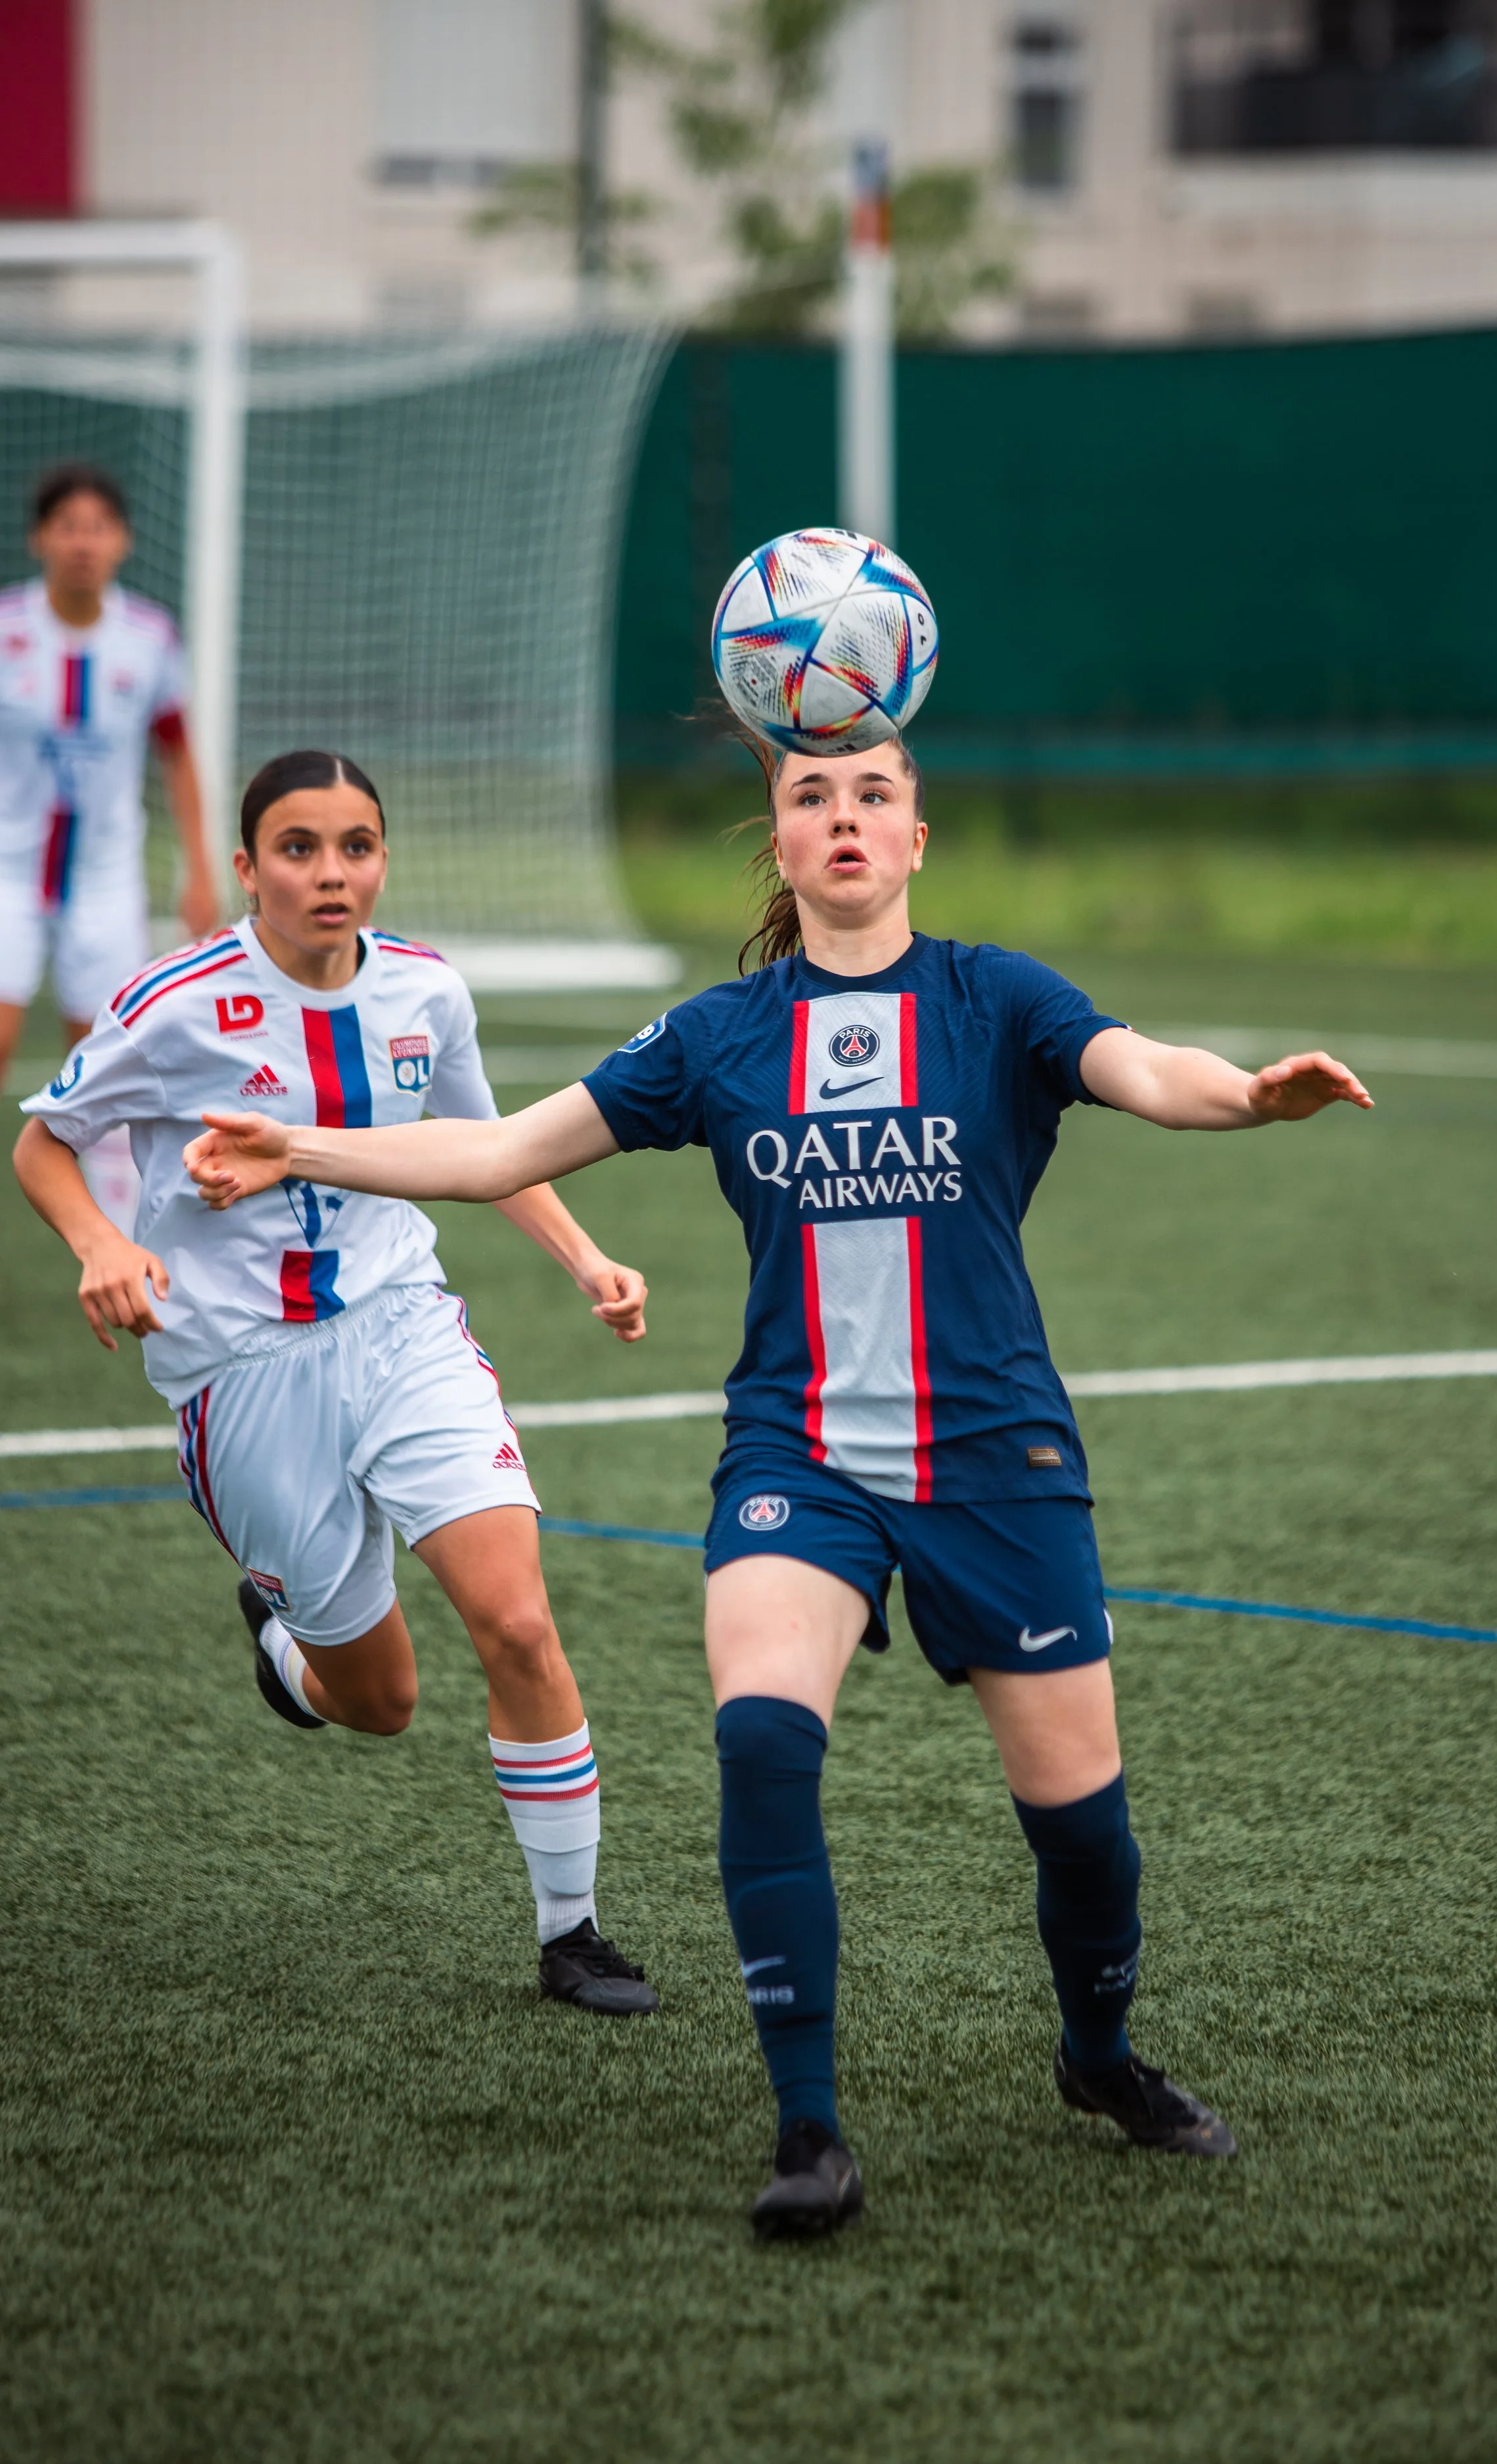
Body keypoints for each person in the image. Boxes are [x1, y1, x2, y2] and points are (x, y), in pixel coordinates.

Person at [177, 733, 1373, 2235]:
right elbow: (497, 1150)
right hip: (796, 1452)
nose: (845, 816)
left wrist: (1247, 1095)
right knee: (759, 1735)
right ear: (784, 845)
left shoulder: (994, 996)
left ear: (917, 837)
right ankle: (808, 2128)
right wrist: (298, 1139)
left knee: (1081, 1825)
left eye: (874, 794)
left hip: (996, 1458)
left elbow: (1141, 1068)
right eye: (814, 797)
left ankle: (1102, 2053)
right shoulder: (720, 1032)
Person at [14, 748, 658, 2017]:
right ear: (247, 869)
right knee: (381, 1702)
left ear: (381, 861)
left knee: (518, 1622)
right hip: (240, 1374)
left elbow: (486, 1149)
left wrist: (587, 1256)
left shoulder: (426, 992)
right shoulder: (177, 1003)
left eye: (355, 846)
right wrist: (104, 1243)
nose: (331, 873)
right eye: (299, 849)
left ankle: (572, 1932)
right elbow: (45, 1141)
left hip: (400, 1329)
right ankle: (290, 1658)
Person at [1, 462, 219, 1233]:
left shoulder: (149, 637)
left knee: (100, 1058)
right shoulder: (6, 629)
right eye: (68, 526)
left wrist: (198, 867)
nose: (83, 543)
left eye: (98, 527)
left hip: (104, 877)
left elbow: (178, 755)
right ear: (41, 538)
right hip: (10, 872)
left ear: (122, 540)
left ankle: (122, 1228)